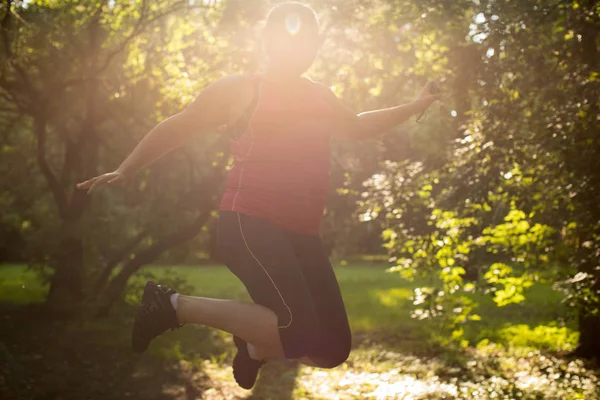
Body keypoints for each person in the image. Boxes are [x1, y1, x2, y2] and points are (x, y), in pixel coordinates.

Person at [77, 1, 440, 390]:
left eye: (309, 43)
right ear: (268, 41)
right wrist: (127, 167)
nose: (300, 50)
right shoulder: (242, 89)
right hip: (250, 223)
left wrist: (416, 105)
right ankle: (170, 305)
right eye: (289, 40)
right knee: (299, 329)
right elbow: (181, 125)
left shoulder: (321, 95)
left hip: (302, 235)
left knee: (333, 348)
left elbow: (358, 126)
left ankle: (254, 347)